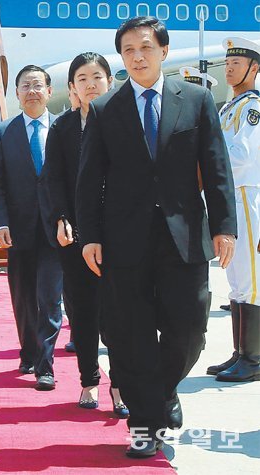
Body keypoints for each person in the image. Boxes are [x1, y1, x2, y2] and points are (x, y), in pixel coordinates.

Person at [75, 17, 236, 458]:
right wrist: (89, 235)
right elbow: (90, 180)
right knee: (130, 333)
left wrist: (225, 226)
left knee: (190, 327)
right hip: (123, 240)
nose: (137, 56)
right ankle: (145, 422)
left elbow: (217, 167)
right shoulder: (107, 108)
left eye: (145, 47)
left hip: (183, 236)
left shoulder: (198, 100)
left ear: (163, 51)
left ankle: (163, 392)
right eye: (128, 50)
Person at [44, 52, 128, 417]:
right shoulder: (62, 128)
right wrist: (61, 217)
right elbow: (53, 179)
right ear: (72, 88)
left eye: (97, 77)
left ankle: (122, 386)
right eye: (82, 78)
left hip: (121, 232)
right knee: (83, 312)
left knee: (122, 314)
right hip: (76, 234)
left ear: (110, 81)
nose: (90, 84)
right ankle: (89, 382)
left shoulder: (127, 122)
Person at [0, 65, 63, 391]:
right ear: (16, 93)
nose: (32, 91)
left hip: (55, 229)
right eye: (25, 86)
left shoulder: (63, 129)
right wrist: (0, 222)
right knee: (22, 298)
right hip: (18, 229)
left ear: (49, 91)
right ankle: (28, 350)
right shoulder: (3, 132)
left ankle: (46, 365)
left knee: (49, 297)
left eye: (37, 85)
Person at [207, 38, 260, 382]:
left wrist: (211, 157)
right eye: (227, 63)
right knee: (236, 279)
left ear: (254, 68)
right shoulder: (229, 108)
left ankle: (254, 359)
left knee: (251, 278)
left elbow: (244, 156)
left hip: (246, 195)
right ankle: (241, 352)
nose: (229, 68)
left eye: (237, 63)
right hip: (230, 196)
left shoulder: (253, 108)